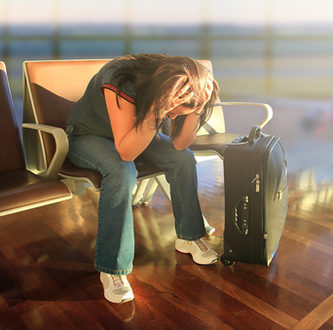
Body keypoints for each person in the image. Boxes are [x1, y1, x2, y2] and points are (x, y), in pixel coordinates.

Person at [65, 54, 220, 304]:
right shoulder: (120, 78)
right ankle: (112, 269)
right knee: (122, 170)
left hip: (132, 133)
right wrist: (158, 109)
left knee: (183, 159)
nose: (171, 119)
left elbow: (180, 145)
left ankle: (190, 237)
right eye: (172, 112)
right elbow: (126, 153)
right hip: (87, 135)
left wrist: (198, 107)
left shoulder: (173, 82)